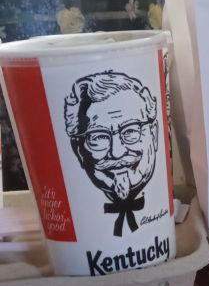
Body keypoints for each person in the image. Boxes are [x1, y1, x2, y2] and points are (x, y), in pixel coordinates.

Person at [64, 71, 159, 235]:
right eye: (99, 137)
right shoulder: (78, 216)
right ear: (78, 150)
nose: (117, 152)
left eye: (130, 131)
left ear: (154, 135)